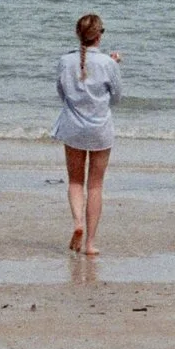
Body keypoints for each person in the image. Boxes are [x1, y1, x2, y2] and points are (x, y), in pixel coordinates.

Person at [52, 13, 121, 255]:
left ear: (77, 35)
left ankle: (77, 222)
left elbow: (61, 93)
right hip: (100, 127)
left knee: (74, 181)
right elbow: (117, 97)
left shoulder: (65, 61)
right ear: (99, 36)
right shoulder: (108, 63)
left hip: (73, 126)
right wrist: (114, 64)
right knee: (95, 186)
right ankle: (90, 243)